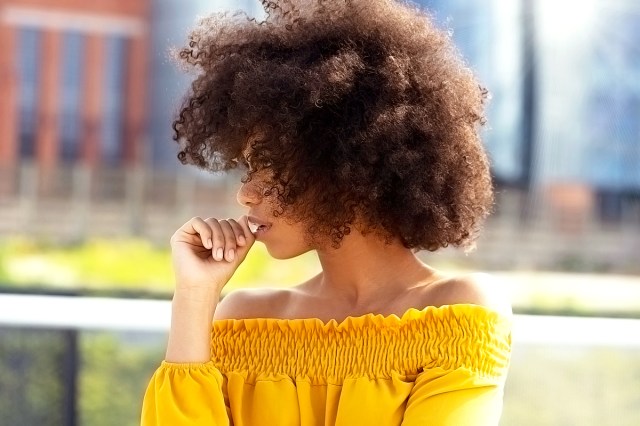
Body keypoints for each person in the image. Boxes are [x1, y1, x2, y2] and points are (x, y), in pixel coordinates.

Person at [141, 0, 512, 424]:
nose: (246, 194)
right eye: (247, 169)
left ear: (346, 162)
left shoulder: (457, 314)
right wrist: (194, 297)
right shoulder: (245, 321)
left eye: (271, 166)